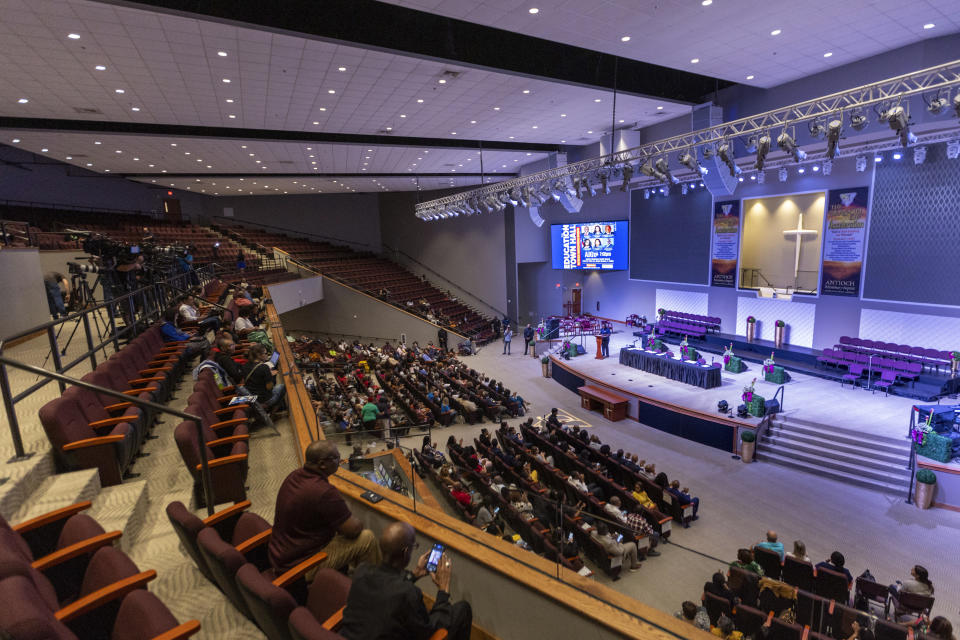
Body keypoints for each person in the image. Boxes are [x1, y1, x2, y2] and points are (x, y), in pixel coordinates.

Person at [338, 521, 473, 640]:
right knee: (463, 609)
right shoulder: (408, 593)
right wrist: (443, 591)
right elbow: (431, 631)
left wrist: (414, 574)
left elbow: (389, 585)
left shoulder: (361, 571)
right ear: (405, 552)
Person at [269, 441, 381, 575]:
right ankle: (375, 589)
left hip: (281, 555)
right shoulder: (324, 492)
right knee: (367, 538)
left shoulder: (294, 476)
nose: (340, 461)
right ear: (322, 464)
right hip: (299, 567)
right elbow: (354, 530)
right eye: (336, 458)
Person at [242, 344, 286, 414]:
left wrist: (267, 374)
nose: (267, 355)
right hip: (263, 400)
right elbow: (270, 387)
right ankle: (272, 412)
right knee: (283, 387)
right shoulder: (264, 367)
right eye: (265, 353)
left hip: (251, 397)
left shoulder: (245, 365)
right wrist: (272, 376)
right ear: (259, 355)